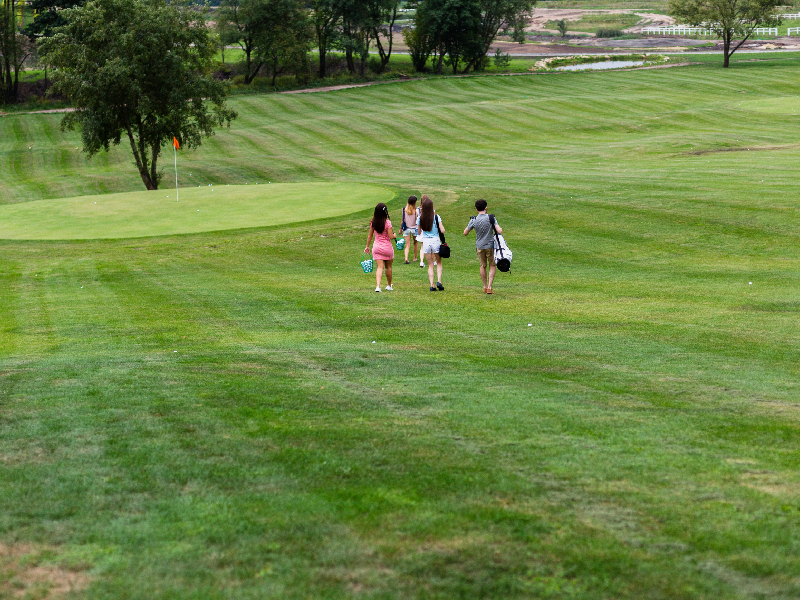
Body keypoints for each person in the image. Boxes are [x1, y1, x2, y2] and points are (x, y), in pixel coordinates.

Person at [463, 199, 502, 294]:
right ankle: (489, 287)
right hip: (490, 245)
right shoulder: (491, 218)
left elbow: (465, 233)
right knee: (492, 265)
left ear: (476, 209)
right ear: (486, 208)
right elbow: (499, 231)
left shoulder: (474, 220)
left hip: (479, 246)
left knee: (483, 266)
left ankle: (484, 286)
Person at [364, 203, 396, 292]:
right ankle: (389, 285)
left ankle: (378, 286)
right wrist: (394, 235)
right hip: (387, 248)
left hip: (377, 247)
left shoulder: (373, 222)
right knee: (388, 267)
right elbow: (391, 236)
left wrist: (367, 246)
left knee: (379, 267)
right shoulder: (387, 222)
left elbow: (370, 236)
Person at [417, 196, 445, 291]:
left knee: (430, 265)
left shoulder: (420, 218)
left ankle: (432, 284)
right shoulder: (436, 217)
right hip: (435, 240)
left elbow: (419, 232)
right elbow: (442, 230)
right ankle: (439, 281)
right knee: (439, 262)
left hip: (426, 241)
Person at [401, 196, 419, 264]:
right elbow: (417, 220)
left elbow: (402, 220)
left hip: (407, 229)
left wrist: (400, 228)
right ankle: (415, 258)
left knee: (407, 245)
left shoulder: (404, 210)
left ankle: (406, 258)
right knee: (415, 243)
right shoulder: (415, 210)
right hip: (414, 229)